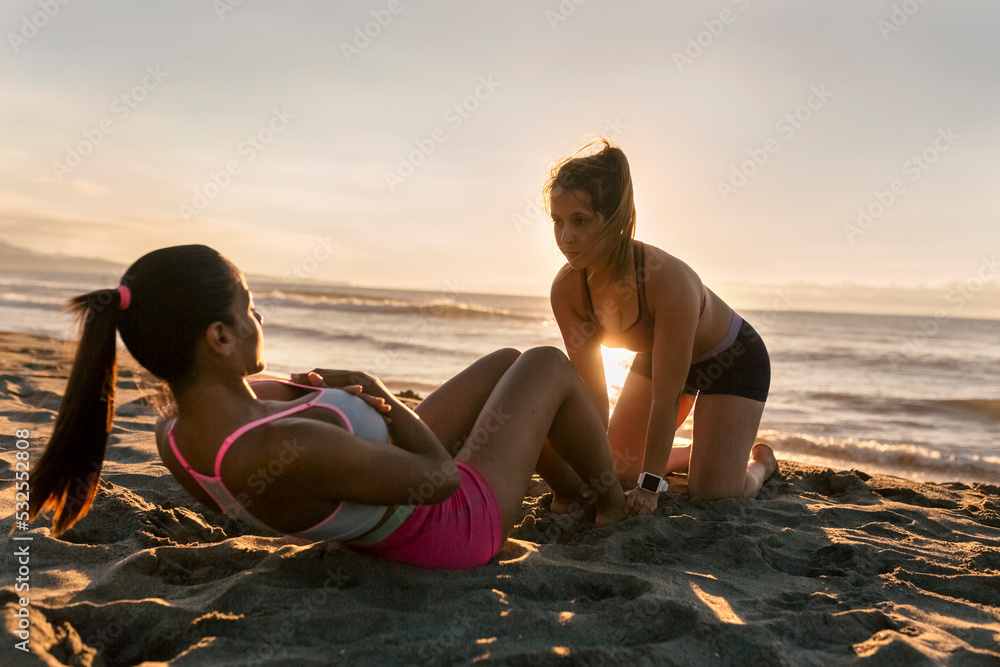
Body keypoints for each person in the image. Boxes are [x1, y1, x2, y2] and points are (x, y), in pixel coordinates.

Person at [26, 244, 626, 569]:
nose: (258, 318)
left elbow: (310, 488)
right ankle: (615, 505)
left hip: (383, 492)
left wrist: (356, 423)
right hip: (453, 526)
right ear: (219, 338)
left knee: (503, 361)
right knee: (545, 362)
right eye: (249, 307)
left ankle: (571, 491)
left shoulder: (176, 434)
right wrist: (382, 397)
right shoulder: (279, 448)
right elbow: (440, 480)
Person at [544, 139, 777, 516]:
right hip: (661, 357)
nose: (565, 237)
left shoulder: (666, 279)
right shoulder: (567, 291)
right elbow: (595, 398)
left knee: (713, 496)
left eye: (580, 221)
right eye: (558, 221)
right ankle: (692, 454)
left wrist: (650, 485)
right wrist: (587, 472)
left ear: (614, 218)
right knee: (616, 468)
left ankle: (761, 465)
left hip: (733, 359)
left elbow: (665, 399)